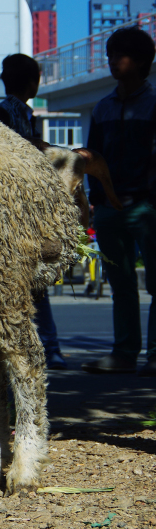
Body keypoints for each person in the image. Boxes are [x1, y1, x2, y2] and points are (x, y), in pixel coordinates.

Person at [81, 27, 156, 376]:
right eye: (109, 55)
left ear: (140, 61)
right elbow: (91, 158)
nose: (111, 62)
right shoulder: (102, 108)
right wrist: (96, 200)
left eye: (119, 55)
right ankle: (124, 353)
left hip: (148, 208)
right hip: (109, 209)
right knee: (121, 285)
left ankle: (154, 355)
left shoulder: (155, 104)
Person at [0, 53, 68, 370]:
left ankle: (34, 347)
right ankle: (47, 347)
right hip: (19, 212)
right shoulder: (8, 113)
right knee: (31, 282)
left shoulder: (11, 111)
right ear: (34, 79)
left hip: (14, 211)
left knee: (25, 282)